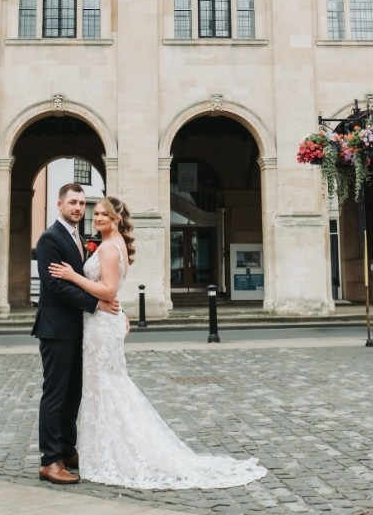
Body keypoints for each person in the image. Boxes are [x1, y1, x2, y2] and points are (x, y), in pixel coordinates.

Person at [49, 196, 267, 490]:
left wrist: (74, 275)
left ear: (116, 219)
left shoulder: (109, 249)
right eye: (96, 212)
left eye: (104, 214)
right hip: (101, 323)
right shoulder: (111, 245)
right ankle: (103, 448)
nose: (97, 217)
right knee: (102, 386)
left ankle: (117, 451)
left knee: (107, 386)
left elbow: (109, 290)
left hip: (101, 324)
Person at [32, 183, 120, 485]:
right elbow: (56, 286)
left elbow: (82, 279)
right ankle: (49, 460)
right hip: (56, 329)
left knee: (73, 394)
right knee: (55, 394)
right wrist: (97, 303)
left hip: (76, 328)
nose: (78, 208)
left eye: (82, 203)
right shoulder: (49, 240)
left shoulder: (78, 238)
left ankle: (68, 450)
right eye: (72, 202)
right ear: (59, 205)